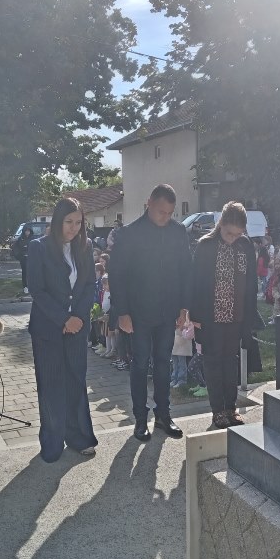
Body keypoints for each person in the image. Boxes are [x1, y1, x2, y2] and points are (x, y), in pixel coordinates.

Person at [108, 184, 190, 441]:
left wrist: (184, 307)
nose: (165, 217)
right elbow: (117, 275)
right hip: (138, 313)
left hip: (168, 311)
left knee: (164, 363)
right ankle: (140, 418)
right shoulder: (129, 234)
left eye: (170, 213)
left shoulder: (178, 231)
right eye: (161, 212)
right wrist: (122, 312)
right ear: (149, 203)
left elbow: (186, 270)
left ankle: (164, 414)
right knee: (140, 364)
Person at [28, 197, 97, 462]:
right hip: (48, 329)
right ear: (58, 221)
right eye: (69, 222)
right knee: (51, 385)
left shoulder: (85, 247)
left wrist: (78, 317)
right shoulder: (39, 248)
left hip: (77, 328)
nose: (74, 228)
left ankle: (79, 437)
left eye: (78, 222)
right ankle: (52, 441)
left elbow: (89, 285)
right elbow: (37, 290)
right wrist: (64, 319)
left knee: (76, 382)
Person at [189, 202, 258, 429]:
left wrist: (250, 316)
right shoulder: (206, 245)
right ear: (221, 225)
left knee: (230, 363)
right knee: (213, 364)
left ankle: (231, 408)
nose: (233, 238)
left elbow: (251, 282)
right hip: (211, 317)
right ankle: (217, 411)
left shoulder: (245, 246)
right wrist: (195, 315)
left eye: (238, 234)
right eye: (229, 233)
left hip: (236, 317)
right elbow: (196, 283)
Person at [13, 227, 34, 294]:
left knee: (31, 272)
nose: (27, 232)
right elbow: (16, 248)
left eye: (28, 231)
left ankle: (31, 286)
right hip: (23, 258)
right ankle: (25, 286)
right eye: (26, 231)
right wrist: (19, 255)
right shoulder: (20, 239)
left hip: (31, 258)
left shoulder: (32, 239)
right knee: (25, 272)